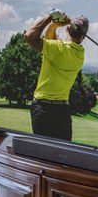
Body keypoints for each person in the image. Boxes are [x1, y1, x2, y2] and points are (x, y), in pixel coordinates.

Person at [23, 10, 89, 140]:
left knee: (43, 151)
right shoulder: (79, 55)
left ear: (68, 29)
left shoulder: (57, 48)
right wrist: (54, 25)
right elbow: (52, 41)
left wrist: (51, 17)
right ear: (83, 38)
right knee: (62, 151)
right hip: (62, 112)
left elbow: (29, 36)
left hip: (42, 109)